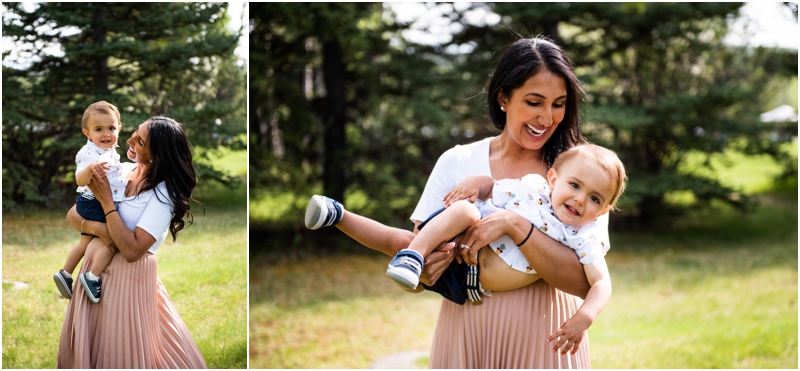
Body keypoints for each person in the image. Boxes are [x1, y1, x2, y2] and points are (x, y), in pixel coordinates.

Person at [309, 37, 601, 367]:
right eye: (534, 102)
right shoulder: (458, 162)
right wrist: (424, 275)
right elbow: (420, 263)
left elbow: (584, 283)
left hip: (547, 337)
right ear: (503, 97)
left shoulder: (579, 176)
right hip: (466, 331)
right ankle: (338, 215)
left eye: (558, 104)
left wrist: (515, 226)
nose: (547, 118)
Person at [307, 143, 626, 355]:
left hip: (468, 282)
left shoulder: (581, 235)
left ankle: (337, 216)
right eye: (575, 185)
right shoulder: (533, 189)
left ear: (602, 210)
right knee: (463, 215)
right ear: (553, 179)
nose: (581, 199)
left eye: (595, 199)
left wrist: (584, 317)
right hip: (457, 248)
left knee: (398, 241)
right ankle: (410, 254)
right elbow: (493, 187)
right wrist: (477, 181)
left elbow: (600, 283)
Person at [57, 116, 207, 368]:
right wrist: (101, 231)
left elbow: (132, 249)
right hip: (92, 275)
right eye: (134, 133)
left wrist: (106, 203)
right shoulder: (121, 170)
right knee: (93, 347)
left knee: (123, 349)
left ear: (156, 155)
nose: (128, 140)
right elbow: (73, 214)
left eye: (139, 140)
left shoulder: (163, 194)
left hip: (128, 280)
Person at [53, 101, 127, 303]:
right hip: (93, 202)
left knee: (85, 243)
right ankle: (92, 277)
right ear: (87, 133)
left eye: (111, 128)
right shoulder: (87, 153)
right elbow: (79, 180)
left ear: (119, 129)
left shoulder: (110, 151)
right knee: (113, 240)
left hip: (93, 201)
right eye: (99, 129)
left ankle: (66, 274)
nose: (106, 134)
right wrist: (90, 169)